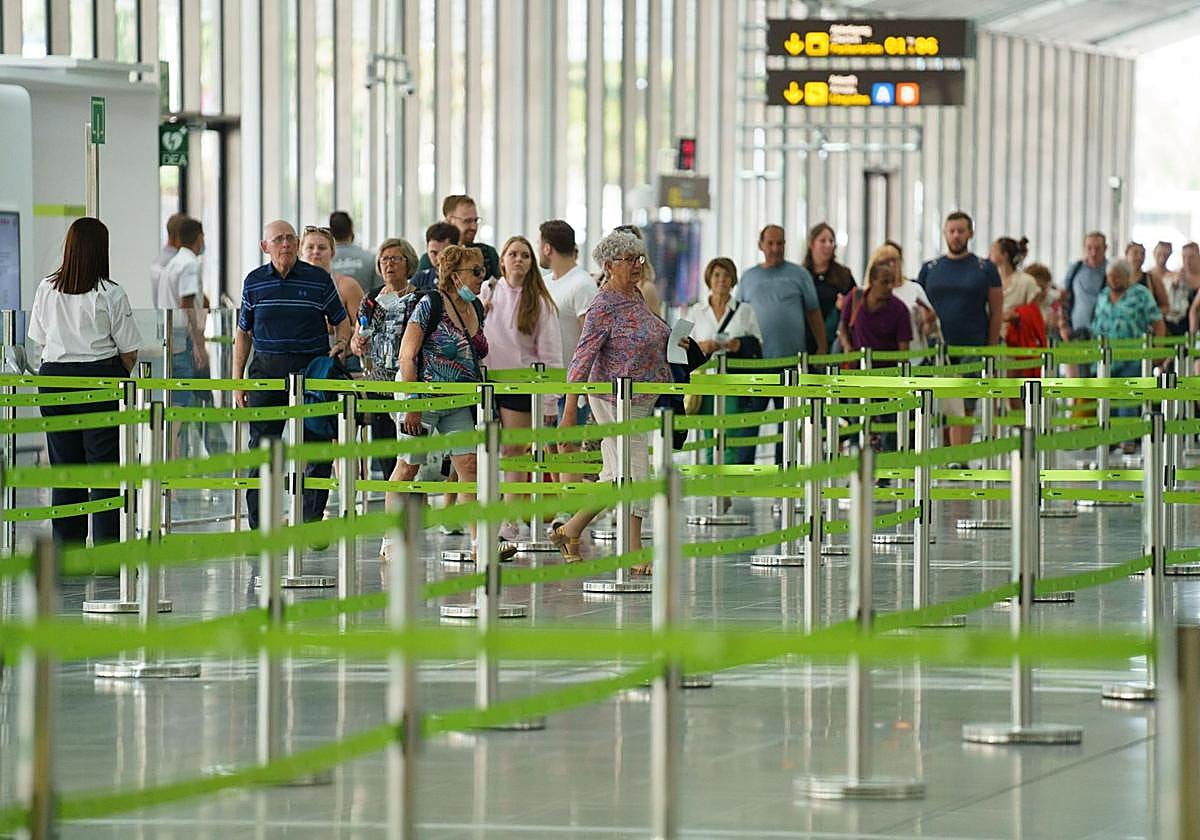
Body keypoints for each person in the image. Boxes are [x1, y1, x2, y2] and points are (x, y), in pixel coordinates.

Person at [551, 230, 672, 573]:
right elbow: (582, 356)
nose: (637, 265)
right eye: (629, 260)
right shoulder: (602, 305)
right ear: (608, 265)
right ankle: (633, 552)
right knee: (635, 471)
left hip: (641, 397)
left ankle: (570, 530)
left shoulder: (634, 295)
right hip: (614, 397)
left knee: (615, 474)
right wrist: (570, 410)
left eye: (640, 258)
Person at [392, 244, 516, 562]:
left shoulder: (474, 309)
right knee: (408, 467)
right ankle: (391, 539)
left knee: (470, 469)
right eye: (475, 272)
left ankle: (480, 544)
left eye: (483, 271)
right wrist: (413, 403)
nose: (481, 277)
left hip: (459, 401)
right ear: (454, 275)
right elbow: (407, 356)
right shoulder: (430, 303)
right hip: (424, 397)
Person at [28, 217, 142, 546]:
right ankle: (107, 551)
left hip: (54, 380)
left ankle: (68, 552)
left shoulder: (46, 288)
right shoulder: (111, 293)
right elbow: (129, 350)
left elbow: (38, 338)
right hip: (100, 379)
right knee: (104, 468)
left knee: (65, 468)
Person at [233, 220, 352, 529]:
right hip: (266, 371)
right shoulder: (254, 281)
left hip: (311, 372)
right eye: (278, 239)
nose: (285, 244)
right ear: (265, 246)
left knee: (318, 447)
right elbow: (243, 333)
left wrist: (341, 343)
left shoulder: (318, 279)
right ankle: (261, 527)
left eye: (290, 239)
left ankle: (309, 520)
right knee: (263, 450)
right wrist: (238, 380)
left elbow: (341, 320)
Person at [479, 235, 564, 541]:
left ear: (531, 263)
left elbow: (551, 355)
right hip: (488, 382)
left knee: (513, 451)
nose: (518, 260)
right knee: (486, 452)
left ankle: (511, 518)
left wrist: (550, 402)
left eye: (525, 255)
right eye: (512, 254)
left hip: (521, 384)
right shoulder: (487, 292)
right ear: (502, 260)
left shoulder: (539, 302)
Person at [735, 224, 826, 463]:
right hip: (757, 365)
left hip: (792, 364)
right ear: (760, 245)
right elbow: (737, 317)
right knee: (751, 420)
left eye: (780, 243)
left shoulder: (799, 275)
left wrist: (822, 347)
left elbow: (813, 313)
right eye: (770, 243)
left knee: (787, 421)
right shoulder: (748, 278)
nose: (775, 249)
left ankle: (783, 473)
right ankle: (742, 475)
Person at [917, 212, 1002, 447]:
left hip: (972, 344)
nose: (956, 236)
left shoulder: (985, 268)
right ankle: (946, 451)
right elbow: (918, 306)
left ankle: (959, 455)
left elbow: (996, 311)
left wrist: (991, 348)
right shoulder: (929, 269)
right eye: (951, 231)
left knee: (966, 401)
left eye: (961, 231)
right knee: (943, 401)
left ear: (970, 233)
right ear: (944, 233)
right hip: (938, 346)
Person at [350, 237, 420, 486]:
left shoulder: (420, 298)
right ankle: (396, 501)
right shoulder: (370, 299)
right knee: (385, 446)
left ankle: (412, 497)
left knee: (410, 448)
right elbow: (356, 337)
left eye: (395, 258)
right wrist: (357, 343)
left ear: (408, 263)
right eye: (384, 259)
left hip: (409, 380)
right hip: (378, 380)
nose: (389, 264)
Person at [539, 219, 599, 497]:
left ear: (547, 247)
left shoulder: (582, 284)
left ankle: (573, 514)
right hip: (547, 381)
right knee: (550, 446)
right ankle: (560, 505)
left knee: (568, 446)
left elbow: (591, 341)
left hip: (573, 383)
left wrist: (579, 391)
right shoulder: (547, 282)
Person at [687, 257, 762, 465]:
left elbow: (757, 346)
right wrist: (702, 347)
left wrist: (738, 345)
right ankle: (713, 486)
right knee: (710, 436)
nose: (722, 280)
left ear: (733, 279)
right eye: (717, 275)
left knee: (730, 434)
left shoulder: (745, 311)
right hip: (706, 382)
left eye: (727, 275)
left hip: (734, 382)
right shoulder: (696, 312)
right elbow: (680, 344)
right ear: (709, 279)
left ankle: (726, 488)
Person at [1092, 258, 1165, 440]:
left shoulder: (1141, 294)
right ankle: (1109, 439)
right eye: (1110, 277)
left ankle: (1127, 439)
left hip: (1133, 357)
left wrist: (1159, 347)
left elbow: (1157, 321)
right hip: (1105, 358)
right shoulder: (1103, 295)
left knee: (1127, 399)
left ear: (1127, 277)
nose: (1113, 281)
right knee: (1107, 400)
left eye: (1117, 277)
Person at [300, 225, 365, 362]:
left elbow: (363, 330)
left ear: (333, 252)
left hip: (342, 361)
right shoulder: (291, 287)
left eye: (322, 248)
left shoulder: (348, 286)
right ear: (301, 251)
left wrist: (339, 328)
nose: (316, 252)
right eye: (310, 247)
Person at [416, 194, 500, 281]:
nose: (474, 227)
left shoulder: (488, 254)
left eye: (475, 220)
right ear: (449, 221)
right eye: (467, 221)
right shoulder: (431, 259)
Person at [802, 222, 855, 353]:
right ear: (812, 244)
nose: (828, 245)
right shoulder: (801, 275)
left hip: (836, 339)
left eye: (831, 241)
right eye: (823, 241)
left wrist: (844, 305)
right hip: (806, 338)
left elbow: (856, 301)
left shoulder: (843, 274)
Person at [1060, 231, 1108, 342]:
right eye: (1089, 248)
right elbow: (1063, 298)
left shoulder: (1111, 271)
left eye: (1098, 248)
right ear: (1084, 248)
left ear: (1105, 248)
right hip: (1075, 331)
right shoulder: (1075, 269)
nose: (1093, 253)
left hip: (1103, 334)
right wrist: (1063, 325)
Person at [328, 211, 380, 294]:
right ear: (351, 230)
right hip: (363, 305)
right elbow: (379, 292)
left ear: (330, 232)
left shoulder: (323, 260)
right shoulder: (370, 258)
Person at [149, 212, 188, 308]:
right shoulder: (178, 262)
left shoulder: (158, 260)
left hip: (163, 318)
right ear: (178, 236)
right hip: (177, 319)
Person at [411, 222, 460, 292]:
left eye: (445, 253)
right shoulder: (420, 279)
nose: (439, 259)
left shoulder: (467, 279)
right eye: (434, 253)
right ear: (427, 249)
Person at [1127, 241, 1168, 313]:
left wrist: (1149, 315)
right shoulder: (1118, 278)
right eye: (1135, 253)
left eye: (1142, 254)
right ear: (1127, 255)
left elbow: (1165, 306)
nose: (1139, 257)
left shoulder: (1152, 279)